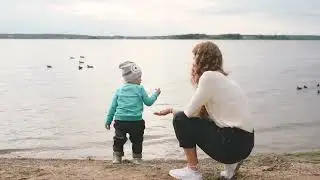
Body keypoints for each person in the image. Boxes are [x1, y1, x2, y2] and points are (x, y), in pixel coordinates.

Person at [154, 41, 254, 180]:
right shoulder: (225, 80)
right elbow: (203, 114)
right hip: (245, 144)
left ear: (201, 58)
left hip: (231, 144)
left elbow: (189, 114)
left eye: (195, 57)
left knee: (180, 120)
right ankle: (231, 168)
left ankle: (192, 170)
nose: (193, 61)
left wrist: (195, 80)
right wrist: (173, 109)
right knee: (213, 122)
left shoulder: (208, 77)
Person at [105, 61, 161, 164]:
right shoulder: (140, 89)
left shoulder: (119, 90)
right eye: (139, 77)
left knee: (119, 139)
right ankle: (137, 158)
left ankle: (117, 157)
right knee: (137, 140)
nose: (141, 79)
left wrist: (108, 121)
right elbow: (148, 102)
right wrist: (156, 94)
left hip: (120, 120)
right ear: (134, 78)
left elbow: (113, 107)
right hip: (136, 121)